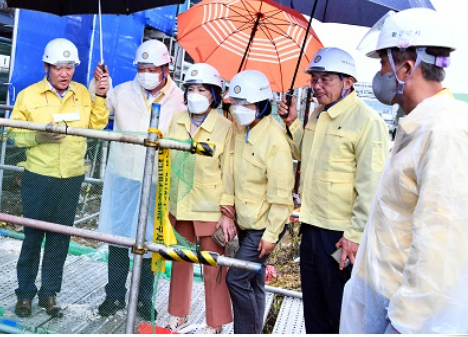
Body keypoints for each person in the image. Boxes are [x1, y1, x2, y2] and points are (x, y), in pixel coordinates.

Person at [340, 8, 468, 334]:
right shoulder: (420, 125)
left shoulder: (445, 132)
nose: (379, 74)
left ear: (407, 68)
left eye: (383, 64)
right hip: (385, 297)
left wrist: (406, 325)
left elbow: (441, 250)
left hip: (406, 317)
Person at [278, 47, 389, 334]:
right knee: (314, 311)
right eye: (314, 79)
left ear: (348, 81)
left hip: (341, 236)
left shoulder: (367, 122)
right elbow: (307, 154)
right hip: (311, 227)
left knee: (341, 314)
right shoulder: (316, 115)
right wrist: (292, 123)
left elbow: (371, 186)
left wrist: (354, 236)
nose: (317, 86)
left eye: (325, 79)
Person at [8, 38, 109, 318]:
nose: (64, 73)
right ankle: (25, 294)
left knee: (59, 239)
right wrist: (38, 136)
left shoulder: (82, 94)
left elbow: (97, 125)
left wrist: (100, 96)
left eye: (69, 67)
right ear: (46, 67)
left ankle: (49, 294)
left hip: (71, 178)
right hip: (39, 177)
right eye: (58, 67)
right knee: (32, 237)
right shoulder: (28, 96)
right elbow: (13, 135)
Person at [97, 39, 186, 321]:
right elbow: (99, 119)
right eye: (142, 67)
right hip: (124, 176)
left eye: (152, 68)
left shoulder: (180, 99)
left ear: (166, 68)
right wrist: (99, 92)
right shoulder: (121, 92)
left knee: (151, 243)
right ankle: (114, 295)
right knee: (118, 239)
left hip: (159, 182)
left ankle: (144, 299)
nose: (146, 73)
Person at [164, 63, 234, 333]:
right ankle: (177, 315)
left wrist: (227, 213)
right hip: (180, 204)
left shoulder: (226, 128)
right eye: (191, 89)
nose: (195, 94)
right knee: (180, 262)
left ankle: (215, 323)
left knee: (214, 269)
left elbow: (229, 172)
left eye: (202, 89)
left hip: (209, 208)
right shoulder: (177, 119)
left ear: (213, 94)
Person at [225, 70, 294, 334]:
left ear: (263, 105)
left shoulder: (274, 139)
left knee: (236, 278)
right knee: (253, 282)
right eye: (237, 103)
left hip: (262, 228)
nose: (240, 109)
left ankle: (246, 332)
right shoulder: (241, 131)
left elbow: (282, 194)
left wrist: (272, 234)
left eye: (247, 104)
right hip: (245, 222)